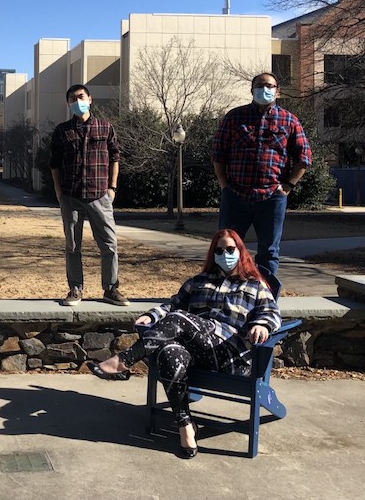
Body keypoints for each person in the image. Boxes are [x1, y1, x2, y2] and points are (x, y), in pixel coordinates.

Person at [87, 229, 281, 459]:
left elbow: (272, 313)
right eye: (219, 250)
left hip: (229, 354)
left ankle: (125, 360)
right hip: (198, 352)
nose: (225, 254)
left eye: (230, 249)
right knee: (169, 352)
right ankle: (186, 426)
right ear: (213, 254)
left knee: (179, 319)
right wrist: (152, 316)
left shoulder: (254, 285)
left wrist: (262, 325)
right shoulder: (198, 282)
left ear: (240, 251)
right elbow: (172, 305)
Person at [212, 72, 312, 275]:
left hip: (272, 199)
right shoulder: (234, 117)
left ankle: (266, 300)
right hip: (236, 196)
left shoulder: (289, 120)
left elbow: (304, 158)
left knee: (269, 252)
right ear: (251, 90)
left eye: (269, 86)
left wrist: (287, 187)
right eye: (259, 86)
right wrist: (225, 186)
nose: (264, 89)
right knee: (226, 249)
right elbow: (217, 154)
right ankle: (224, 295)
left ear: (278, 91)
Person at [49, 84, 128, 307]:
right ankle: (75, 288)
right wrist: (58, 191)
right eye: (72, 99)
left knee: (109, 245)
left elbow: (115, 157)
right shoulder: (62, 131)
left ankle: (111, 289)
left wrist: (112, 187)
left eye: (81, 97)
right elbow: (53, 163)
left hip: (100, 196)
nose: (77, 101)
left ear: (90, 99)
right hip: (71, 196)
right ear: (68, 104)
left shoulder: (105, 128)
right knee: (73, 246)